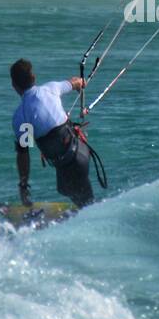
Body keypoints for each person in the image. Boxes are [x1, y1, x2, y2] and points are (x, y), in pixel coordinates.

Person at [10, 59, 96, 209]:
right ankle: (87, 213)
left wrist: (23, 186)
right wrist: (81, 82)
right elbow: (75, 82)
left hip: (68, 162)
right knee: (69, 191)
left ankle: (92, 217)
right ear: (34, 78)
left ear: (14, 86)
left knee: (77, 195)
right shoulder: (50, 89)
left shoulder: (21, 117)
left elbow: (24, 153)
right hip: (81, 154)